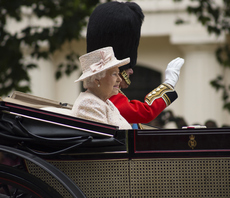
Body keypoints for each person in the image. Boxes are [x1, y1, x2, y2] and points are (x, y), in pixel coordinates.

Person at [86, 1, 184, 128]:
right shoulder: (107, 98)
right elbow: (146, 111)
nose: (131, 71)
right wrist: (168, 85)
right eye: (116, 71)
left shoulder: (108, 95)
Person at [71, 46, 132, 130]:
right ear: (97, 80)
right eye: (114, 74)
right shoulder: (89, 103)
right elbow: (109, 140)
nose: (120, 79)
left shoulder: (105, 102)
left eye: (118, 74)